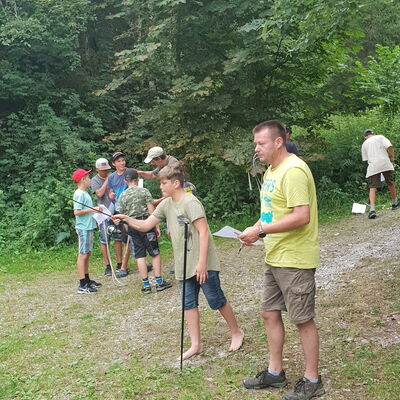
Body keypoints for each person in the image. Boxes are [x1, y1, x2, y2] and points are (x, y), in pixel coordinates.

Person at [113, 163, 243, 360]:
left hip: (202, 262)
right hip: (183, 263)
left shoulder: (191, 202)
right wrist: (126, 219)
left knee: (216, 299)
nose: (160, 187)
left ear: (175, 183)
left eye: (163, 183)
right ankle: (196, 345)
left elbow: (204, 232)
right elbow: (146, 225)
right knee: (188, 304)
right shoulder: (166, 204)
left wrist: (202, 263)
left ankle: (236, 332)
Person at [238, 120, 324, 400]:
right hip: (274, 255)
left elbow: (301, 216)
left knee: (302, 319)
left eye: (260, 143)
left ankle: (312, 380)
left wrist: (261, 230)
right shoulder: (272, 171)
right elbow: (270, 213)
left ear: (278, 142)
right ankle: (275, 373)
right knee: (269, 313)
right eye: (255, 143)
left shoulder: (294, 170)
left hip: (295, 258)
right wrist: (254, 230)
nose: (256, 148)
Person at [118, 168, 172, 293]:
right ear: (137, 179)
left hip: (132, 226)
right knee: (155, 253)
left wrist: (127, 229)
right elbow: (151, 209)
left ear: (125, 181)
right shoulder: (144, 191)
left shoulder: (122, 196)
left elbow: (122, 216)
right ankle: (159, 282)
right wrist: (156, 226)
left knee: (140, 255)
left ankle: (146, 285)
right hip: (146, 224)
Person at [72, 169, 102, 294]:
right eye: (88, 177)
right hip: (83, 228)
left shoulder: (84, 193)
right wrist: (93, 209)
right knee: (83, 254)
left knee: (87, 253)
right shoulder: (79, 194)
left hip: (89, 227)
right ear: (83, 180)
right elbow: (77, 212)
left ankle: (87, 279)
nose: (90, 180)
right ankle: (82, 285)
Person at [91, 157, 120, 276]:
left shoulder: (114, 176)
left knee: (118, 237)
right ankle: (108, 265)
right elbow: (99, 193)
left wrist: (114, 193)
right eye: (102, 170)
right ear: (97, 169)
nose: (105, 172)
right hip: (103, 214)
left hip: (116, 211)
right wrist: (107, 180)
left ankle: (119, 264)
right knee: (104, 239)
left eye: (106, 170)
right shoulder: (94, 180)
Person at [362, 129, 399, 219]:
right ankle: (394, 203)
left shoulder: (364, 144)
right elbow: (389, 146)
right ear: (373, 134)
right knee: (390, 183)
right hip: (385, 163)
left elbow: (366, 159)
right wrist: (392, 156)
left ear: (365, 137)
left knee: (372, 187)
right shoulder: (380, 137)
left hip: (373, 166)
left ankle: (372, 210)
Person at [107, 151, 130, 277]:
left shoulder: (130, 172)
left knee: (130, 237)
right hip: (117, 209)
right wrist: (111, 195)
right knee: (119, 237)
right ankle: (120, 264)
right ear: (114, 164)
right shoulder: (111, 177)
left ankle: (125, 266)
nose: (122, 163)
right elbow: (110, 192)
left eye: (123, 160)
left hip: (130, 209)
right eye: (119, 161)